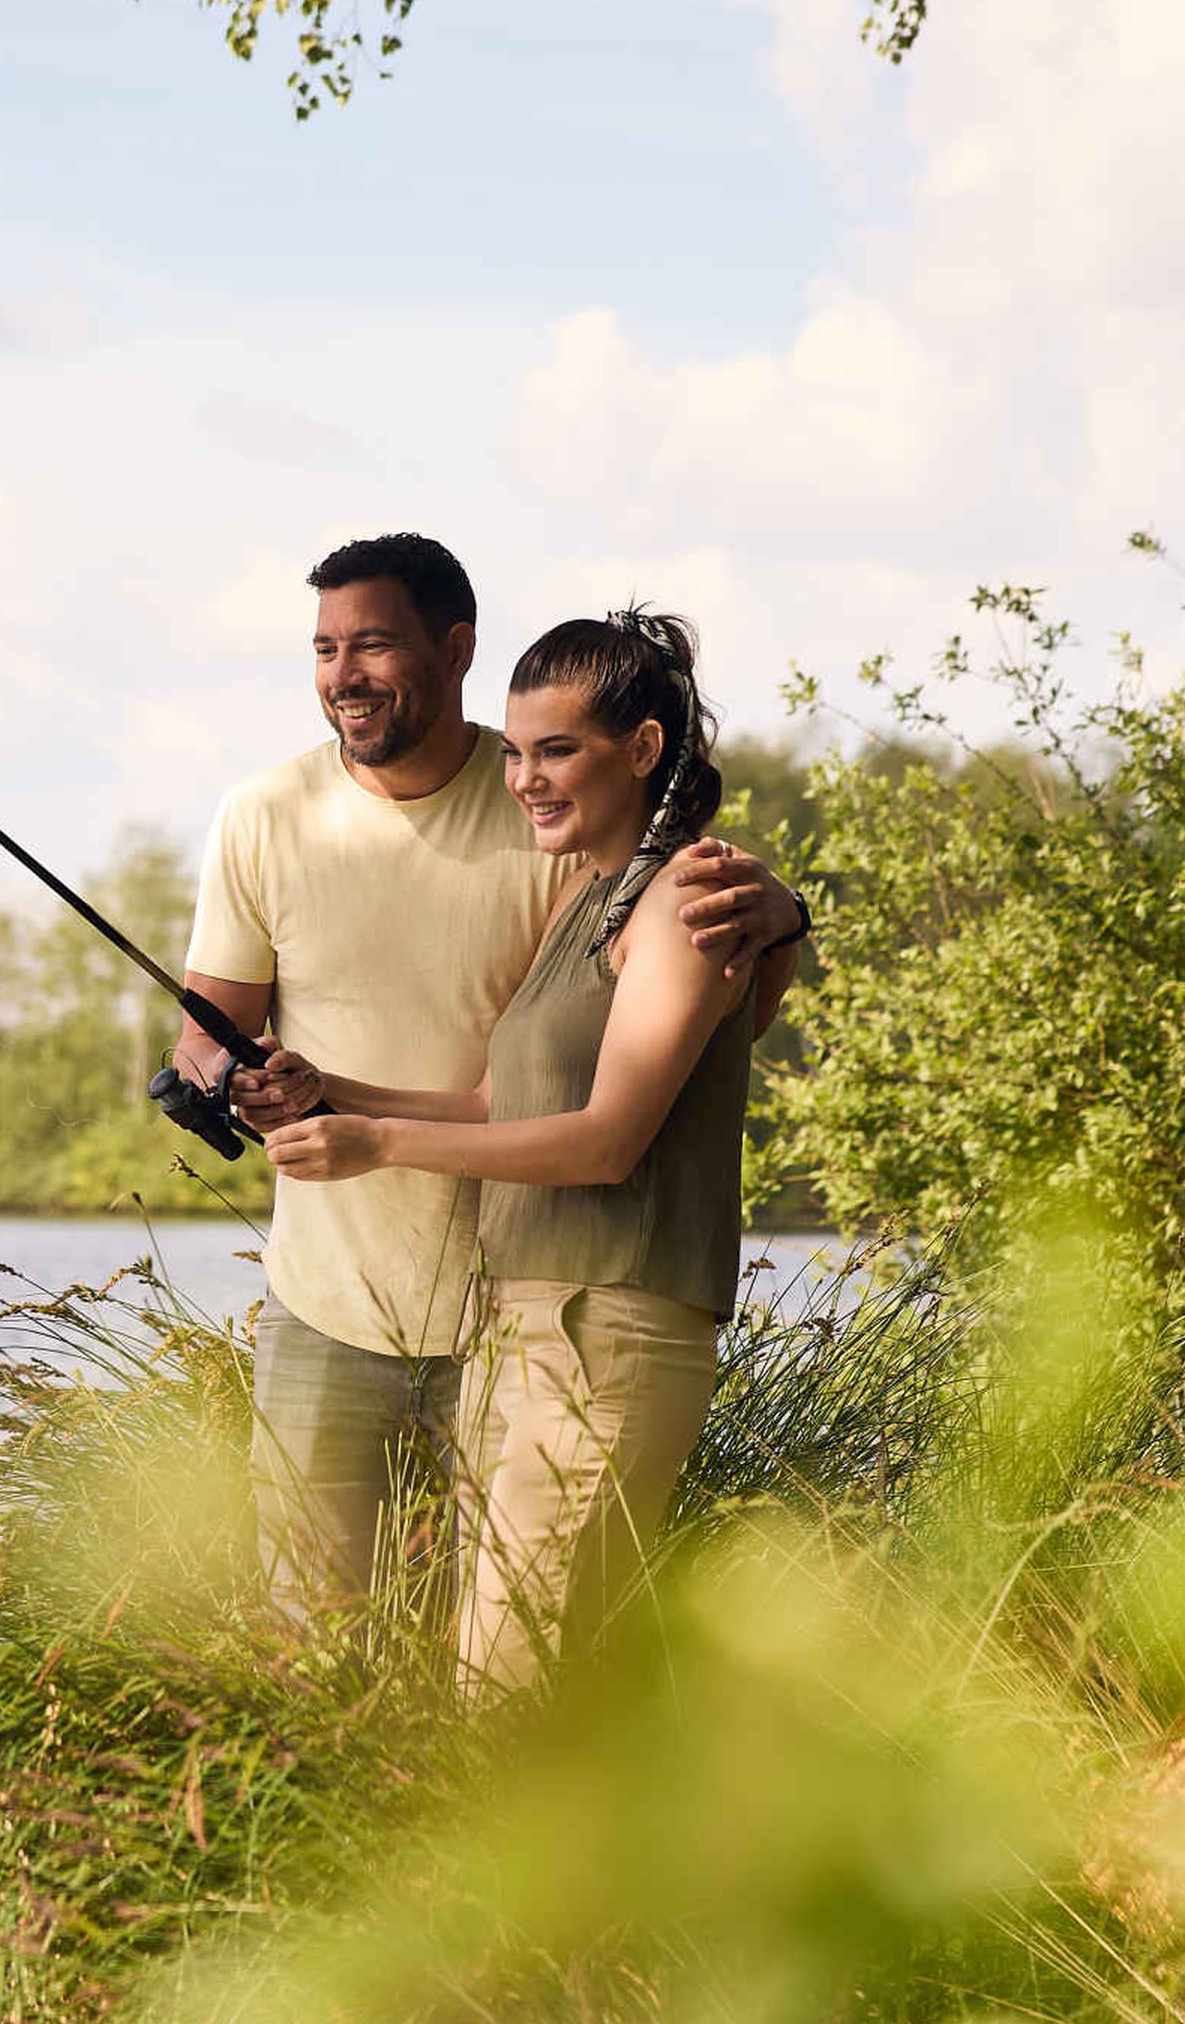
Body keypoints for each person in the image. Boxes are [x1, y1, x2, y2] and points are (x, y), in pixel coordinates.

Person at [172, 538, 798, 1620]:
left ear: (456, 647)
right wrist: (279, 1087)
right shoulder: (267, 816)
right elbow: (214, 1041)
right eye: (324, 647)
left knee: (507, 1662)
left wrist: (785, 908)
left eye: (372, 642)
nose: (344, 673)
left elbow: (645, 1068)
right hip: (343, 1305)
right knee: (319, 1648)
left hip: (532, 1313)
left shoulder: (569, 829)